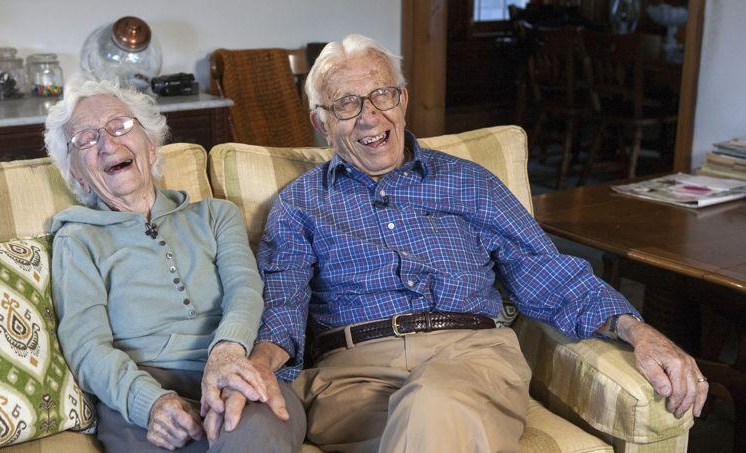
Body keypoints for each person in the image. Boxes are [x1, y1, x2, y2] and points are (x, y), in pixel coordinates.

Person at [213, 35, 709, 452]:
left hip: (472, 358)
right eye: (346, 103)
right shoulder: (299, 203)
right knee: (428, 415)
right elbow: (283, 298)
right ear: (322, 122)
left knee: (436, 400)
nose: (369, 116)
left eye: (382, 94)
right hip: (352, 378)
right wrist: (260, 364)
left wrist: (637, 330)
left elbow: (542, 269)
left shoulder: (470, 182)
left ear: (403, 100)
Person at [44, 76, 305, 452]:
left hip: (236, 369)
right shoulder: (78, 239)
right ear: (77, 176)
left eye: (120, 126)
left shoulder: (216, 216)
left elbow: (245, 289)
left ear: (150, 147)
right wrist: (148, 402)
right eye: (86, 139)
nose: (107, 143)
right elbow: (86, 346)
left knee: (254, 433)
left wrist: (228, 353)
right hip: (143, 389)